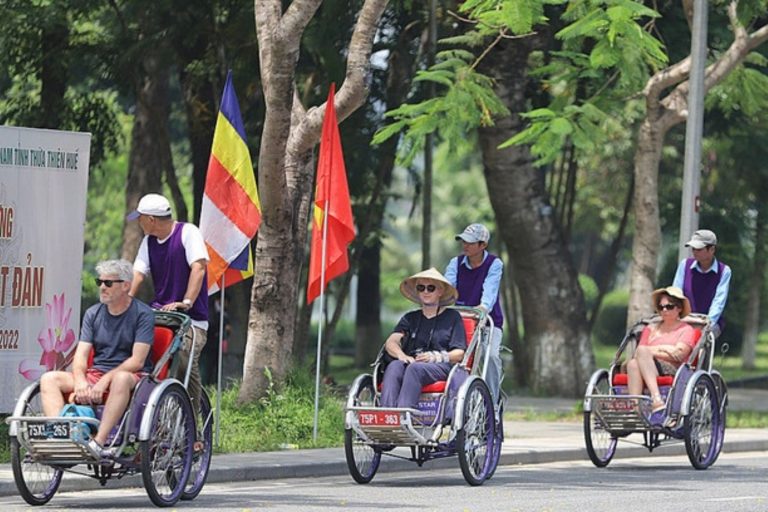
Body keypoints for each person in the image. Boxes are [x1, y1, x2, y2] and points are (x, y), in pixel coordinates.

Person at [39, 259, 155, 457]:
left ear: (126, 285)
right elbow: (81, 356)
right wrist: (81, 380)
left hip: (132, 376)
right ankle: (60, 437)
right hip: (96, 374)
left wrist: (105, 381)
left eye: (108, 283)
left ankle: (99, 442)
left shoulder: (143, 314)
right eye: (99, 282)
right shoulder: (93, 314)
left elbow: (137, 361)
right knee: (49, 379)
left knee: (119, 378)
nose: (102, 287)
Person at [127, 193, 209, 441]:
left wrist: (185, 302)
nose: (138, 223)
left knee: (183, 360)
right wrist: (124, 301)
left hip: (191, 320)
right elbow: (137, 274)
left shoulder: (187, 233)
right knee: (135, 355)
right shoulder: (148, 243)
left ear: (151, 219)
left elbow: (199, 267)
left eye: (140, 218)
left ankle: (193, 430)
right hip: (160, 318)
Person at [380, 268, 466, 409]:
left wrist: (435, 357)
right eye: (421, 288)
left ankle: (403, 415)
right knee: (394, 366)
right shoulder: (410, 318)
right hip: (412, 361)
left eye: (430, 288)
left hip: (442, 365)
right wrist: (401, 355)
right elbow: (391, 342)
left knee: (415, 369)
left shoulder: (452, 317)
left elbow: (459, 354)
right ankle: (387, 415)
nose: (425, 291)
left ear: (440, 292)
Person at [444, 223, 504, 404]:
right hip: (460, 321)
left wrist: (482, 308)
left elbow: (490, 293)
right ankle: (453, 401)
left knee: (491, 357)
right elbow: (447, 289)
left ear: (483, 245)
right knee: (452, 358)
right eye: (464, 241)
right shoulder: (455, 263)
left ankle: (492, 402)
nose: (465, 246)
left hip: (488, 322)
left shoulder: (494, 264)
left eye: (470, 242)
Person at [626, 286, 698, 426]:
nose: (664, 310)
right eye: (661, 307)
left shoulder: (686, 330)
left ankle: (656, 399)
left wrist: (650, 350)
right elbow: (640, 352)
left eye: (669, 306)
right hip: (648, 366)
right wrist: (665, 349)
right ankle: (635, 410)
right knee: (632, 363)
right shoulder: (650, 328)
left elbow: (678, 354)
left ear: (679, 308)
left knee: (642, 353)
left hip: (674, 370)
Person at [672, 229, 731, 337]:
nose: (694, 252)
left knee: (700, 339)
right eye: (693, 248)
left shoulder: (724, 271)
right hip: (684, 319)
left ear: (712, 249)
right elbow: (676, 292)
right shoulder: (685, 265)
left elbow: (719, 301)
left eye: (699, 249)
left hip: (710, 323)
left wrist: (707, 323)